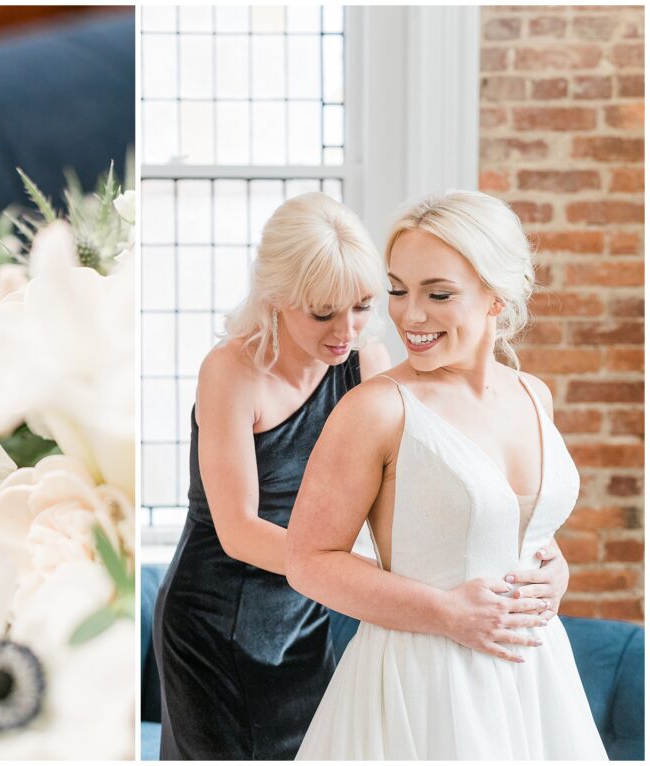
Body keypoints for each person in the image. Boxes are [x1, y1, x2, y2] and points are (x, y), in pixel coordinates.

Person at [152, 192, 571, 760]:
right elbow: (239, 529)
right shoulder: (231, 370)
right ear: (278, 299)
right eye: (323, 313)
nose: (347, 330)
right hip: (221, 606)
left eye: (365, 305)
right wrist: (406, 581)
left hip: (307, 613)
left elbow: (429, 488)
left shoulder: (369, 366)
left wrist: (541, 563)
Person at [288, 190, 607, 760]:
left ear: (496, 297)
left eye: (438, 294)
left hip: (536, 676)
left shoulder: (534, 395)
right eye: (398, 290)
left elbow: (514, 527)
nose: (410, 315)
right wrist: (445, 613)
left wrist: (555, 570)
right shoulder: (377, 409)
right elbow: (307, 562)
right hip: (423, 682)